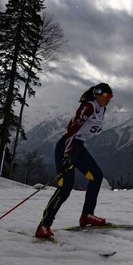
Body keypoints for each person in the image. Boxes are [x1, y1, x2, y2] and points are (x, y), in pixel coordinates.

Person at [35, 83, 113, 239]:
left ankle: (87, 216)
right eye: (106, 96)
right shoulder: (88, 107)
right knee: (66, 187)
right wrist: (66, 157)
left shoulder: (101, 109)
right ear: (97, 94)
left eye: (110, 97)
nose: (108, 100)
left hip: (79, 147)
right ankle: (44, 226)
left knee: (97, 177)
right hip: (67, 146)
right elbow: (71, 131)